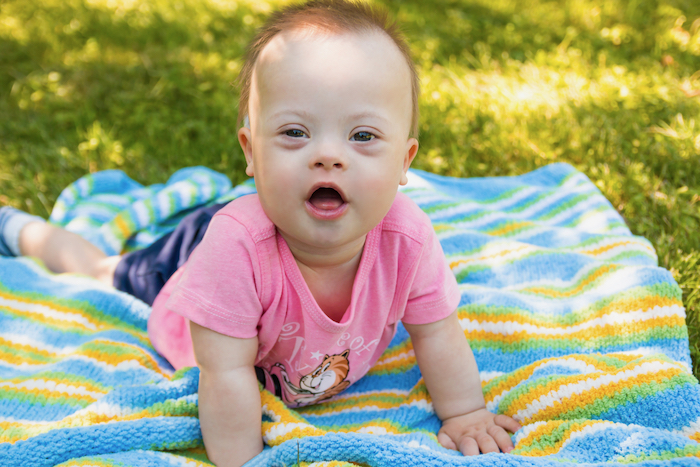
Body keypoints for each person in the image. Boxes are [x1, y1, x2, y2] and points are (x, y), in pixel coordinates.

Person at [0, 1, 521, 465]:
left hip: (253, 229)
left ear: (404, 161)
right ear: (251, 152)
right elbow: (224, 376)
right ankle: (18, 227)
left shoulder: (407, 238)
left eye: (362, 136)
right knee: (106, 269)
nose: (328, 154)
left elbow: (437, 331)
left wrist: (467, 413)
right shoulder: (233, 250)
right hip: (212, 257)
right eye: (295, 132)